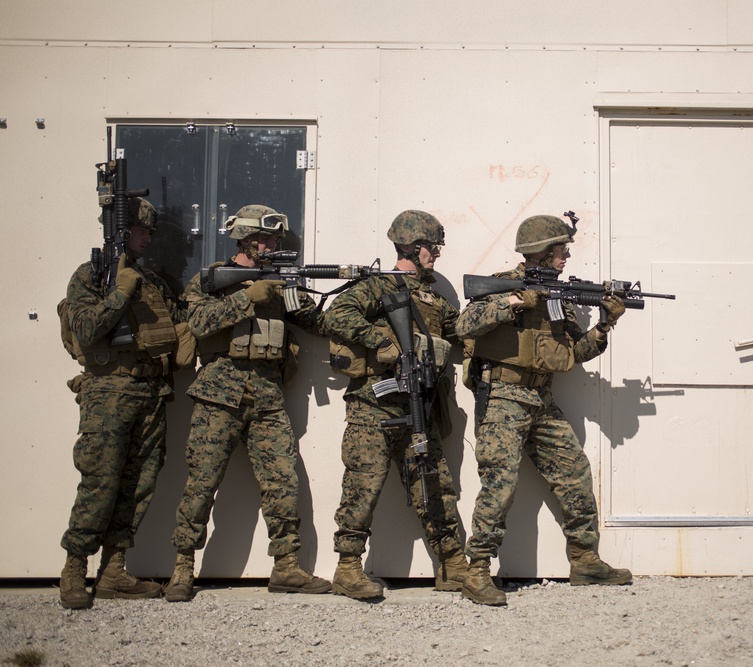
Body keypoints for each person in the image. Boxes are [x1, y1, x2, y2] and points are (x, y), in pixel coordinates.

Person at [456, 213, 631, 606]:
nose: (567, 256)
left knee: (574, 472)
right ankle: (477, 570)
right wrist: (516, 301)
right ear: (541, 251)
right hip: (502, 398)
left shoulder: (559, 298)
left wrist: (603, 327)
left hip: (541, 401)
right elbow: (464, 325)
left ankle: (585, 560)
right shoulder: (503, 284)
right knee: (500, 483)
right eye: (560, 250)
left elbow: (574, 353)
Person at [164, 205, 331, 601]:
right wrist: (247, 298)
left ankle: (287, 567)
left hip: (268, 396)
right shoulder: (211, 278)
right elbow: (199, 324)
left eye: (275, 239)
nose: (271, 244)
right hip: (219, 394)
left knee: (283, 482)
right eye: (264, 238)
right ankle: (182, 567)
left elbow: (313, 322)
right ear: (243, 238)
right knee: (202, 484)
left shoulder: (280, 280)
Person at [323, 210, 468, 599]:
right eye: (431, 246)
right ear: (411, 246)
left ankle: (453, 565)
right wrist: (381, 342)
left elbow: (462, 332)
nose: (436, 253)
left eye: (437, 246)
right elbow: (337, 315)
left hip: (419, 406)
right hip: (374, 405)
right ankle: (347, 568)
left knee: (435, 484)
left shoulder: (434, 297)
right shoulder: (378, 286)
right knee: (362, 486)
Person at [58, 197, 190, 610]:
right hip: (108, 393)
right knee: (99, 480)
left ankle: (114, 570)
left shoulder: (152, 280)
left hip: (151, 393)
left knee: (139, 482)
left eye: (151, 230)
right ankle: (74, 568)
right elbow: (84, 328)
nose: (148, 236)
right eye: (141, 229)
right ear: (120, 230)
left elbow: (176, 321)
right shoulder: (91, 276)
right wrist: (118, 294)